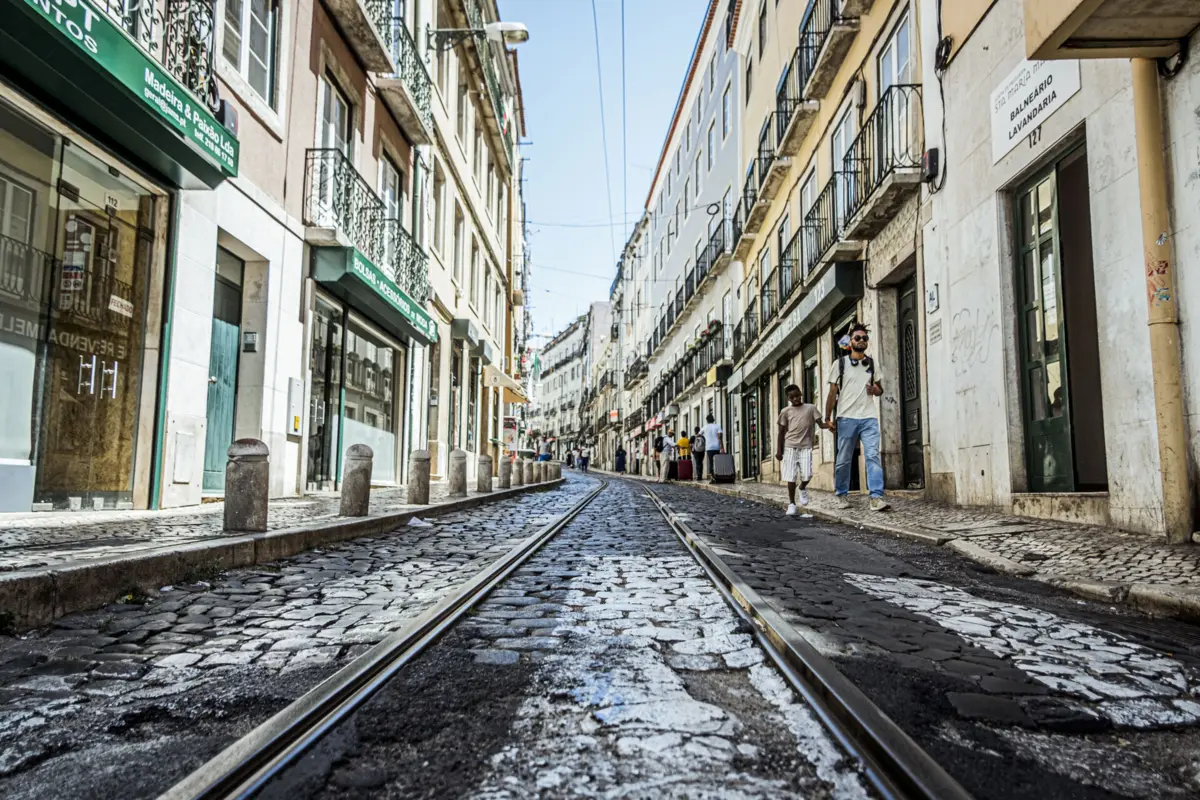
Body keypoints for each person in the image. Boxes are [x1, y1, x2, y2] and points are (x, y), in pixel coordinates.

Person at [825, 323, 889, 511]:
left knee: (872, 456)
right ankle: (842, 494)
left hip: (869, 417)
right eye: (858, 338)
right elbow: (832, 393)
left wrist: (875, 390)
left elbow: (879, 390)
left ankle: (876, 497)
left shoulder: (872, 363)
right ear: (850, 341)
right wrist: (828, 418)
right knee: (844, 458)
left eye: (865, 338)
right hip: (846, 417)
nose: (862, 341)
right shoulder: (840, 364)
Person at [776, 384, 827, 515]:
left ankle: (802, 487)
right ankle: (792, 504)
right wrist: (779, 450)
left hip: (806, 446)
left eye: (797, 396)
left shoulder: (811, 408)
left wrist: (832, 425)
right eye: (792, 397)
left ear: (801, 393)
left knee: (808, 474)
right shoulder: (785, 411)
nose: (795, 399)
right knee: (791, 476)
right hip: (790, 447)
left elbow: (821, 425)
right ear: (788, 398)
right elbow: (781, 432)